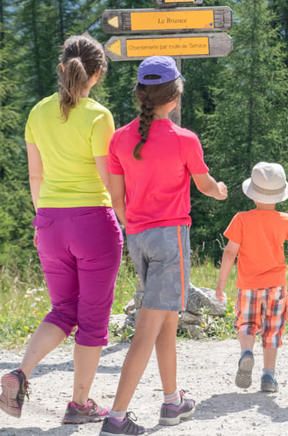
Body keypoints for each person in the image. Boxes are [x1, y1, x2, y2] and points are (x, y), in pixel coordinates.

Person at [101, 56, 228, 435]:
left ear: (141, 93)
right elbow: (205, 185)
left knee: (166, 321)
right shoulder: (183, 139)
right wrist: (220, 191)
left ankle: (172, 401)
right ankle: (116, 417)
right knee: (148, 327)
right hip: (171, 237)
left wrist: (134, 227)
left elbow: (117, 198)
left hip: (138, 238)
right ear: (174, 97)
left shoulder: (119, 139)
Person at [0, 33, 123, 425]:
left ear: (61, 68)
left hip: (50, 222)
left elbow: (35, 177)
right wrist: (128, 216)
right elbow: (108, 178)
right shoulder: (99, 116)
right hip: (93, 224)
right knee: (92, 318)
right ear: (97, 74)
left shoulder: (37, 113)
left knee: (62, 309)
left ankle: (21, 373)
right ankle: (80, 404)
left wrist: (41, 220)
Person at [215, 162, 288, 393]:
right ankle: (268, 376)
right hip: (277, 286)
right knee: (272, 329)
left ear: (252, 194)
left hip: (248, 285)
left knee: (247, 324)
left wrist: (220, 287)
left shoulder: (241, 219)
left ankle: (246, 353)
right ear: (279, 195)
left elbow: (230, 252)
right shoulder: (285, 219)